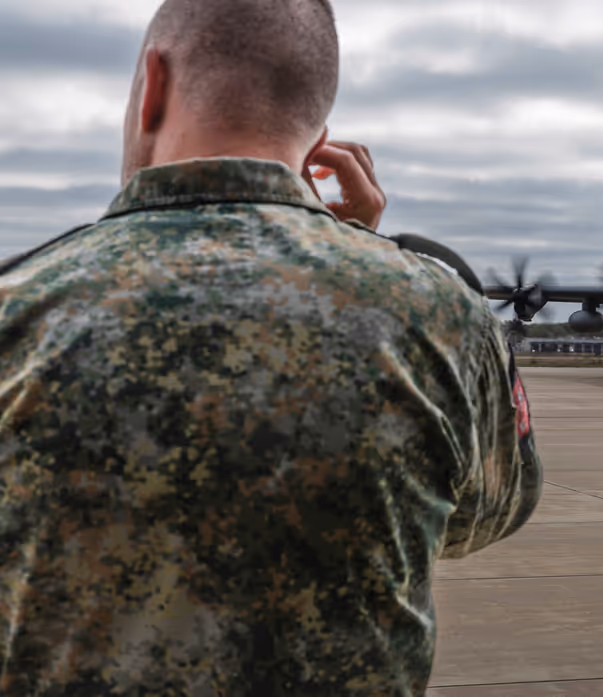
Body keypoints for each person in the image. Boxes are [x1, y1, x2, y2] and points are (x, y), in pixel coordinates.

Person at [0, 0, 542, 694]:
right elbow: (478, 518)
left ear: (153, 84)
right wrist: (363, 255)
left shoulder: (20, 302)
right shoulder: (442, 314)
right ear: (319, 131)